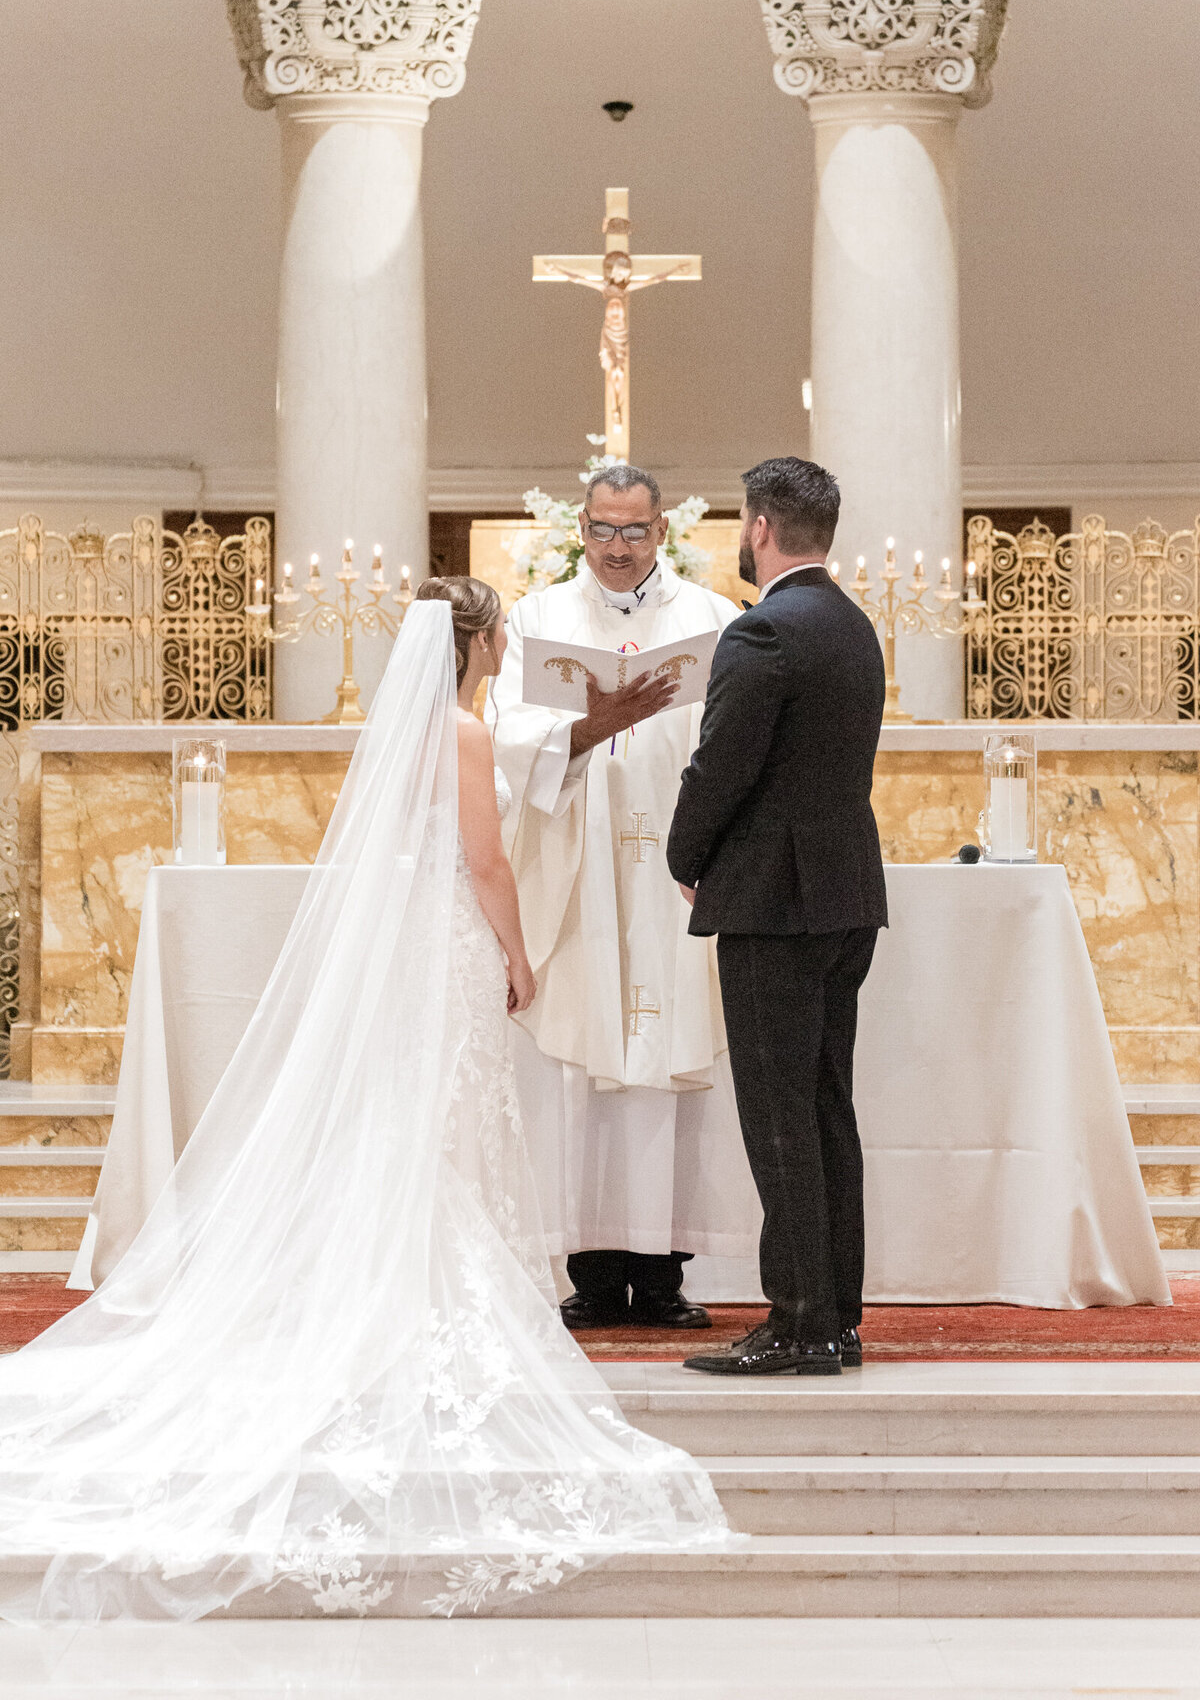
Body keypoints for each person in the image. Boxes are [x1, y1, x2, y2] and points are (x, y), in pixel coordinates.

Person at [0, 583, 728, 1623]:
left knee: (413, 1121)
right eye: (502, 636)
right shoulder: (467, 733)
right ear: (476, 644)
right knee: (447, 1123)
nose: (509, 645)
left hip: (408, 940)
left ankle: (396, 1284)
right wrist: (519, 955)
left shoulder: (405, 731)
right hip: (452, 942)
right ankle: (429, 1298)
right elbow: (483, 863)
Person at [489, 465, 758, 1331]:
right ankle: (594, 1273)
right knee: (586, 1066)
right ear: (580, 531)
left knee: (668, 1059)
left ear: (662, 535)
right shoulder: (538, 618)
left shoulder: (714, 621)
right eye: (602, 530)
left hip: (680, 872)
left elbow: (742, 734)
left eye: (633, 532)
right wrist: (588, 727)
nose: (616, 547)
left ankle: (664, 1273)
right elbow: (503, 735)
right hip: (582, 862)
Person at [666, 457, 888, 1377]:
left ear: (759, 527)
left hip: (774, 903)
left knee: (779, 1114)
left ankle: (798, 1321)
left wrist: (685, 857)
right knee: (827, 1104)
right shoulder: (852, 626)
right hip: (844, 898)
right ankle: (835, 1314)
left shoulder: (762, 634)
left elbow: (723, 764)